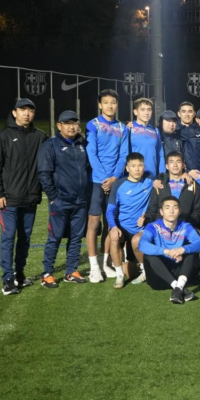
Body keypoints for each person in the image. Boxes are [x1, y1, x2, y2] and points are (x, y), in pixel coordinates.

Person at [0, 98, 48, 295]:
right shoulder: (3, 136)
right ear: (14, 113)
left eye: (30, 110)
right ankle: (7, 279)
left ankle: (19, 275)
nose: (26, 114)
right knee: (8, 237)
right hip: (9, 199)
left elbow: (53, 156)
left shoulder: (40, 136)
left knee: (25, 238)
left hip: (31, 199)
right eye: (22, 110)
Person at [37, 110, 92, 288]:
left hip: (81, 201)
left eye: (74, 123)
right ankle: (47, 273)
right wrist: (53, 197)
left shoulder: (83, 143)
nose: (71, 127)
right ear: (59, 126)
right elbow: (44, 173)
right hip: (61, 200)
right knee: (55, 237)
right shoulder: (50, 145)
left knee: (76, 237)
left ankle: (71, 271)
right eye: (67, 123)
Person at [85, 89, 124, 282]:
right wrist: (104, 179)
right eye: (106, 102)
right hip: (97, 182)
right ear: (100, 105)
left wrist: (114, 178)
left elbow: (123, 155)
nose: (110, 105)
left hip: (114, 182)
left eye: (113, 102)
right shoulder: (93, 125)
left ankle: (104, 263)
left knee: (110, 223)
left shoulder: (122, 127)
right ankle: (94, 268)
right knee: (94, 223)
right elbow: (91, 153)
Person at [139, 196, 200, 304]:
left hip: (181, 274)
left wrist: (182, 249)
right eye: (167, 207)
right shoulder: (152, 226)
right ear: (161, 212)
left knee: (191, 250)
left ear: (179, 211)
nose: (171, 211)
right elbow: (142, 245)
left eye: (175, 207)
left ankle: (178, 288)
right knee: (149, 254)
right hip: (159, 278)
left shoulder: (185, 226)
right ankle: (179, 288)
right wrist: (167, 252)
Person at [106, 152, 154, 289]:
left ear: (144, 167)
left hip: (141, 229)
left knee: (136, 242)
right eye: (133, 166)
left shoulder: (150, 182)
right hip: (123, 228)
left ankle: (145, 271)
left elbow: (166, 179)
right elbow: (110, 211)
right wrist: (114, 227)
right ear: (127, 168)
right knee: (113, 237)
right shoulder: (118, 185)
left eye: (140, 165)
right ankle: (119, 275)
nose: (137, 169)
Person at [145, 151, 200, 230]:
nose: (175, 165)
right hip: (162, 229)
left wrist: (187, 223)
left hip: (186, 229)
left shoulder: (193, 185)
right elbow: (152, 209)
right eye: (171, 162)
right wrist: (145, 220)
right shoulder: (159, 185)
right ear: (167, 166)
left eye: (178, 162)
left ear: (183, 165)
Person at [117, 97, 165, 178]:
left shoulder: (155, 130)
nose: (146, 113)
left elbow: (160, 155)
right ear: (135, 112)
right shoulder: (129, 129)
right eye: (142, 109)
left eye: (149, 109)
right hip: (134, 177)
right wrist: (117, 175)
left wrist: (162, 175)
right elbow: (123, 155)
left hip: (152, 177)